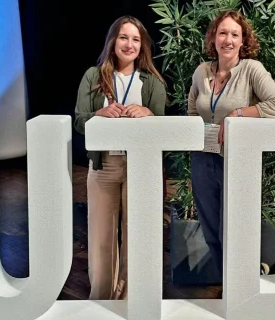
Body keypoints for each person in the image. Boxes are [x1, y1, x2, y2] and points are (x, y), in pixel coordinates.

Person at [187, 10, 275, 280]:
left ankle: (244, 283)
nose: (228, 39)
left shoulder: (251, 70)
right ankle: (227, 287)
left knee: (234, 228)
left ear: (243, 40)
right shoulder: (201, 72)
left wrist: (238, 114)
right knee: (210, 228)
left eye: (234, 34)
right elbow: (190, 112)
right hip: (201, 159)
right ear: (214, 38)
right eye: (222, 33)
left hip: (236, 161)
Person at [73, 15, 167, 300]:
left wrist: (149, 114)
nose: (130, 44)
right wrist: (98, 115)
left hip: (140, 167)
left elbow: (163, 129)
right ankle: (101, 303)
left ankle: (129, 303)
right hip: (103, 166)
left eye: (136, 39)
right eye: (124, 37)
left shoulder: (152, 82)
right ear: (113, 42)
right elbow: (79, 121)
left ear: (143, 46)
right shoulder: (94, 75)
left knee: (135, 238)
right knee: (101, 239)